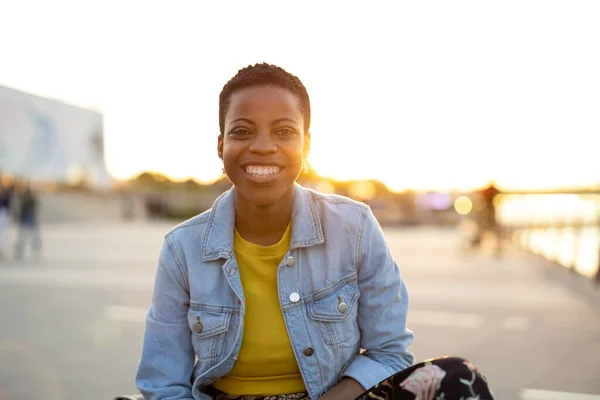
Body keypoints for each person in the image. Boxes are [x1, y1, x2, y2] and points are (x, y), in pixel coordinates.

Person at [135, 63, 495, 399]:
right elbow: (163, 382)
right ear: (220, 146)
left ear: (306, 145)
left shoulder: (353, 227)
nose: (262, 146)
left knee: (459, 378)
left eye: (284, 131)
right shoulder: (182, 248)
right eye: (242, 131)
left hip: (332, 396)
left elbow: (389, 352)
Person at [14, 187, 42, 260]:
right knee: (22, 238)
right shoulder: (23, 200)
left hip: (30, 221)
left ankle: (35, 251)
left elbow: (36, 208)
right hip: (25, 221)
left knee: (34, 237)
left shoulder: (30, 200)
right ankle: (20, 251)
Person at [0, 183, 15, 259]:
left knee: (2, 233)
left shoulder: (6, 197)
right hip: (3, 214)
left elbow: (7, 206)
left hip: (3, 214)